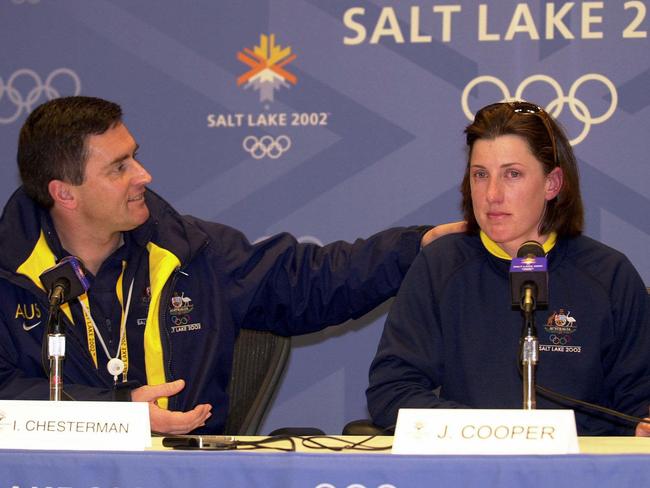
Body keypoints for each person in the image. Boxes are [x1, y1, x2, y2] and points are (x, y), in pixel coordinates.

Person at [0, 96, 462, 435]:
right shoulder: (9, 274)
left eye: (135, 156)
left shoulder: (192, 253)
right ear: (65, 192)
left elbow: (310, 281)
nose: (144, 175)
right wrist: (117, 410)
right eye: (119, 167)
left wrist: (414, 247)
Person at [366, 101, 650, 436]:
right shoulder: (440, 265)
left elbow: (639, 403)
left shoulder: (608, 275)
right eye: (480, 175)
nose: (492, 194)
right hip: (472, 470)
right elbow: (392, 391)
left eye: (512, 174)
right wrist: (493, 432)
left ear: (552, 184)